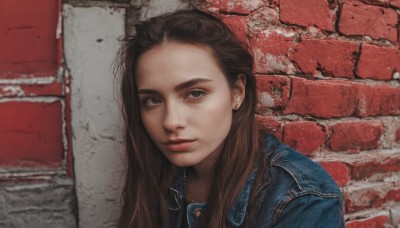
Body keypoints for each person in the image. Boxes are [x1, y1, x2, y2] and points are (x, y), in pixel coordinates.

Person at [114, 9, 345, 228]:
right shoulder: (157, 172)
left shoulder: (303, 199)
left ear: (237, 92)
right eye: (153, 100)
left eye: (195, 93)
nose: (171, 122)